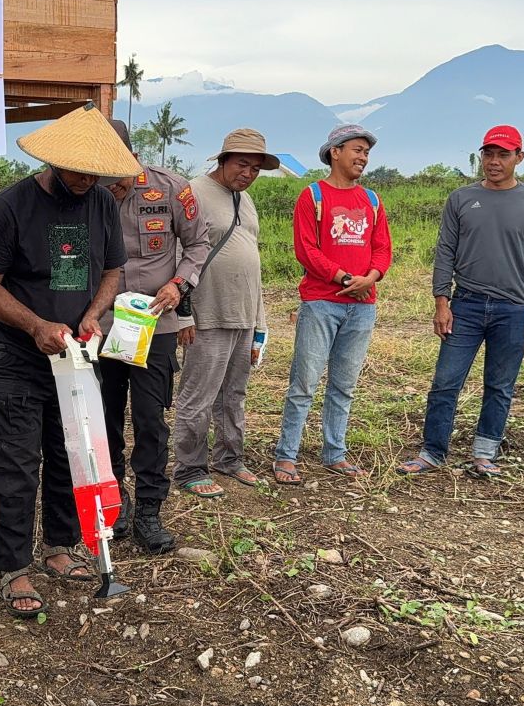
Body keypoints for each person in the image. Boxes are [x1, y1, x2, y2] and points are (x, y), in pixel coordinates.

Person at [0, 104, 139, 617]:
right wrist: (35, 326)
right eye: (77, 170)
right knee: (17, 460)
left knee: (70, 451)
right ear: (52, 161)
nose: (87, 180)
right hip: (16, 351)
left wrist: (93, 314)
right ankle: (14, 566)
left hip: (75, 350)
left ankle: (61, 547)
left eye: (96, 172)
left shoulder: (103, 206)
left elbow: (112, 269)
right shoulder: (11, 207)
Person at [398, 125, 524, 478]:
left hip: (514, 308)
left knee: (500, 385)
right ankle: (432, 452)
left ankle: (484, 454)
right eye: (489, 154)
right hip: (465, 305)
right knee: (445, 382)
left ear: (519, 157)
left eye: (503, 154)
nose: (494, 161)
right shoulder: (461, 198)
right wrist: (442, 301)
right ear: (480, 156)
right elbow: (445, 253)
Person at [100, 119, 210, 553]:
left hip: (156, 323)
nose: (115, 191)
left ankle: (149, 509)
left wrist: (178, 284)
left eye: (120, 181)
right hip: (102, 324)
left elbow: (199, 243)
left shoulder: (170, 189)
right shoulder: (86, 191)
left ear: (133, 159)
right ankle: (114, 503)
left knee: (149, 420)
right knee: (104, 420)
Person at [270, 124, 392, 484]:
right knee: (304, 382)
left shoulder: (371, 200)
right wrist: (342, 278)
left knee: (344, 384)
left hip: (363, 305)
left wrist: (371, 278)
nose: (363, 157)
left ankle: (334, 452)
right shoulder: (313, 196)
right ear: (334, 152)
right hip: (322, 302)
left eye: (366, 152)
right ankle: (286, 455)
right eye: (357, 149)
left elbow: (382, 248)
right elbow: (306, 249)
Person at [170, 129, 278, 498]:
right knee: (198, 396)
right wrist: (183, 315)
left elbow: (253, 259)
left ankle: (230, 459)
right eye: (242, 164)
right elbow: (176, 255)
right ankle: (189, 468)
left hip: (244, 315)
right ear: (223, 160)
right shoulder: (193, 192)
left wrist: (260, 322)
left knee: (234, 394)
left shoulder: (245, 201)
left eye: (255, 168)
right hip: (206, 314)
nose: (248, 173)